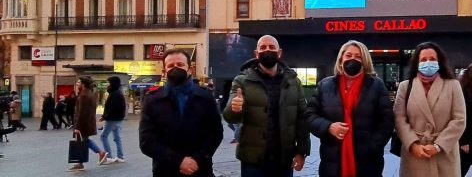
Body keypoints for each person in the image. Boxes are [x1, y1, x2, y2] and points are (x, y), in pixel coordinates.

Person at [223, 35, 310, 177]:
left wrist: (302, 151)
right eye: (262, 47)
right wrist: (235, 109)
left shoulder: (293, 82)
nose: (267, 50)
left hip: (284, 158)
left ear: (279, 53)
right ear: (256, 54)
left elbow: (302, 119)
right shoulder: (242, 81)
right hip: (253, 160)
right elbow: (229, 117)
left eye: (271, 47)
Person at [306, 40, 394, 177]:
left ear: (364, 61)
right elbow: (310, 116)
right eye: (348, 55)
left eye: (358, 56)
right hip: (332, 163)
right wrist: (328, 127)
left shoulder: (376, 86)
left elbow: (387, 121)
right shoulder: (325, 85)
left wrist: (373, 146)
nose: (352, 59)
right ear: (341, 59)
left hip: (368, 163)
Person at [139, 49, 223, 177]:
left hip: (200, 169)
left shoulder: (205, 97)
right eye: (170, 66)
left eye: (180, 65)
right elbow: (146, 141)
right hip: (165, 170)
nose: (175, 68)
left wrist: (197, 159)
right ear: (164, 71)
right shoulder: (152, 100)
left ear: (190, 70)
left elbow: (215, 134)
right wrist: (178, 161)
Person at [393, 41, 466, 177]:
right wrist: (412, 144)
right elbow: (399, 119)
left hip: (444, 154)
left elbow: (459, 119)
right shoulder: (405, 87)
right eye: (424, 59)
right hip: (414, 155)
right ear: (417, 63)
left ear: (440, 61)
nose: (428, 63)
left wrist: (438, 145)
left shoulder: (453, 85)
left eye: (432, 59)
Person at [68, 76, 108, 172]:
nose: (77, 84)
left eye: (79, 82)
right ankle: (81, 162)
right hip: (87, 123)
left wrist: (77, 127)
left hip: (83, 124)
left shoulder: (84, 95)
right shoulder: (89, 94)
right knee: (84, 141)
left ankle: (100, 152)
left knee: (82, 141)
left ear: (83, 84)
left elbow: (82, 112)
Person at [99, 76, 126, 164]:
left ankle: (109, 156)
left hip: (112, 119)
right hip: (117, 119)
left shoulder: (114, 94)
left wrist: (105, 116)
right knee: (117, 138)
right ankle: (120, 156)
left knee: (103, 136)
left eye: (108, 83)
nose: (107, 84)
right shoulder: (118, 93)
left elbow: (112, 108)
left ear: (113, 84)